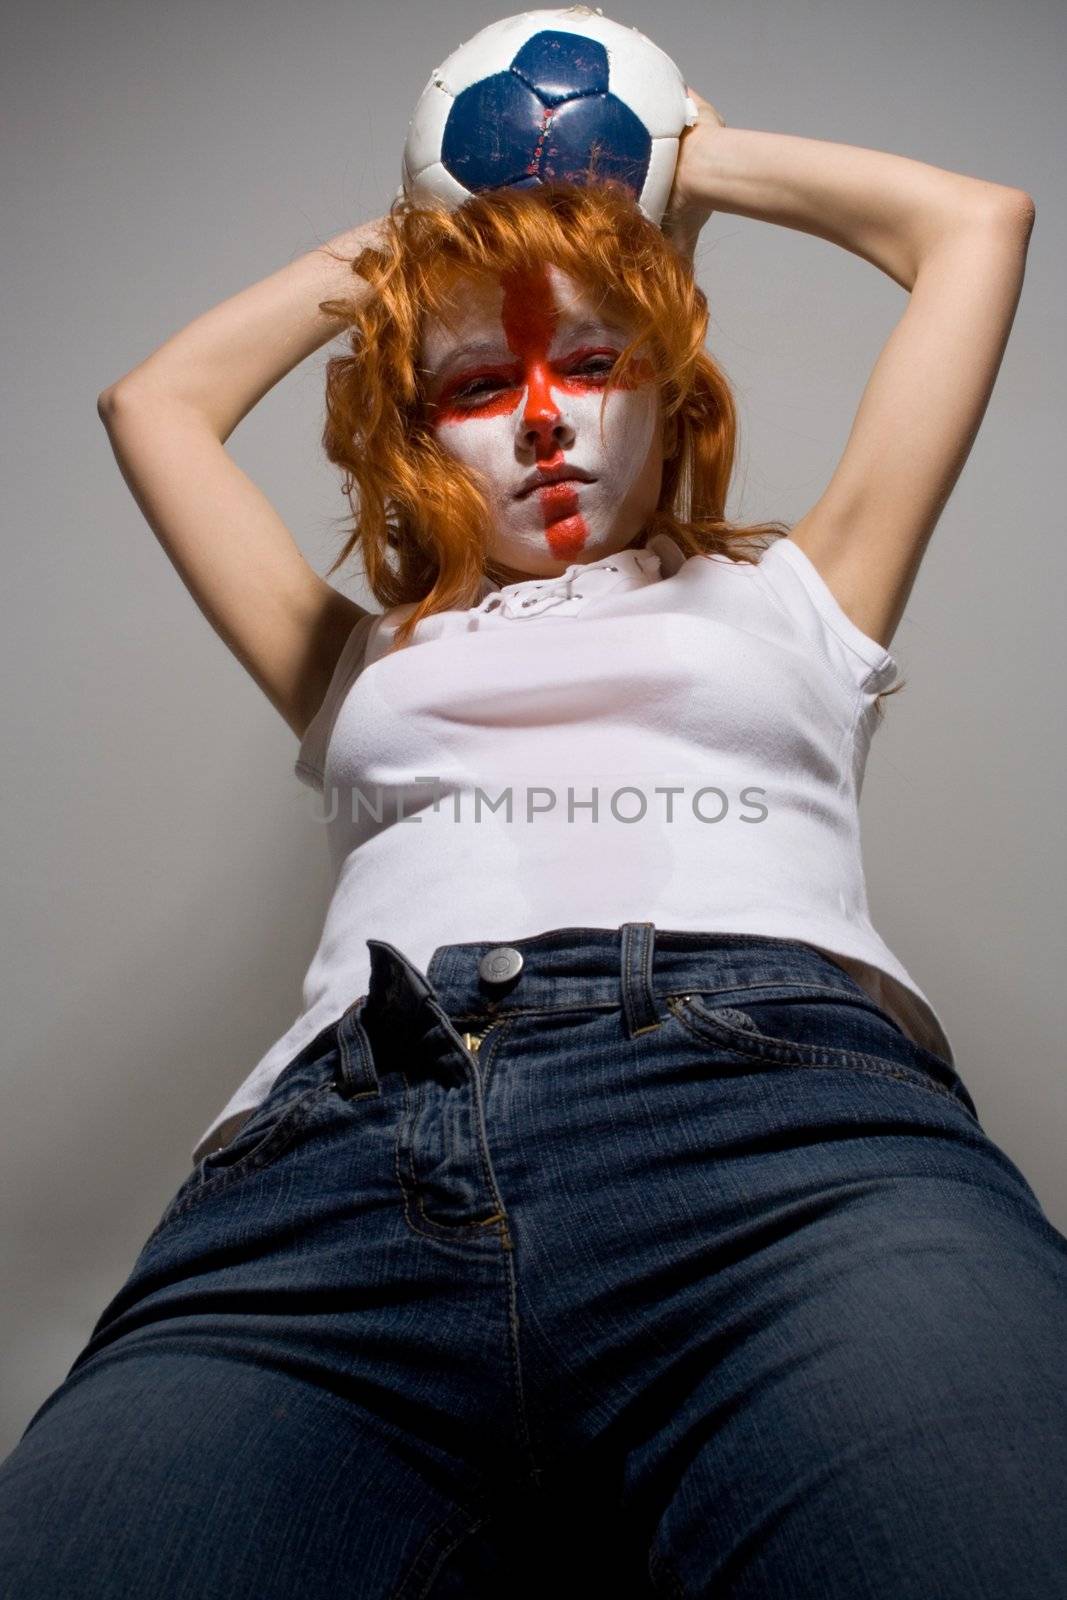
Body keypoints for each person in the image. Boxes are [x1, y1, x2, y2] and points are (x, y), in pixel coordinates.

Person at [2, 92, 1064, 1599]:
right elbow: (153, 404)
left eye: (593, 358)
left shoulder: (804, 593)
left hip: (777, 1139)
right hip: (330, 1177)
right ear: (415, 429)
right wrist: (434, 238)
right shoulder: (355, 660)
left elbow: (976, 225)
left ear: (670, 385)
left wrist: (665, 176)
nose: (547, 417)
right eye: (479, 382)